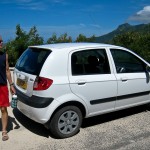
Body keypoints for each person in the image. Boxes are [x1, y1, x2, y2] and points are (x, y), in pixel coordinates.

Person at [0, 35, 16, 141]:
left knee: (3, 109)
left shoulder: (4, 55)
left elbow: (7, 70)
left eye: (1, 41)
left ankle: (4, 130)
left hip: (2, 86)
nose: (1, 43)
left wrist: (11, 84)